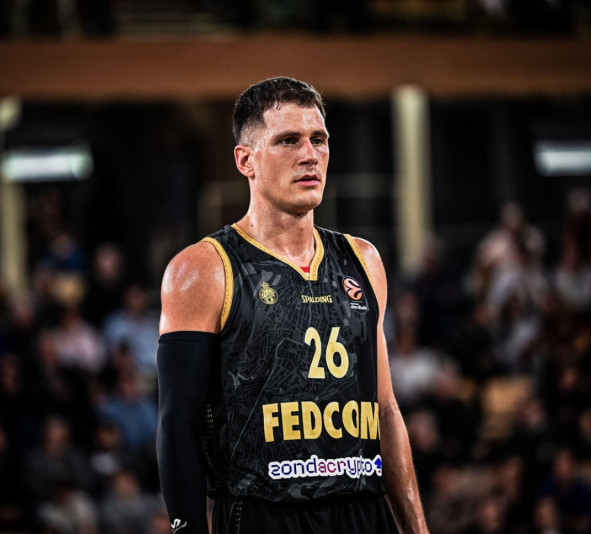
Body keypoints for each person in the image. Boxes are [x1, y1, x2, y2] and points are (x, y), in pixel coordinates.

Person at [156, 77, 429, 534]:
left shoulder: (362, 260)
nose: (310, 155)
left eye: (319, 139)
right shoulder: (203, 268)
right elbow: (178, 426)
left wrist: (417, 529)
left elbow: (385, 411)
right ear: (245, 160)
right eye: (288, 140)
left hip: (364, 511)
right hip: (263, 514)